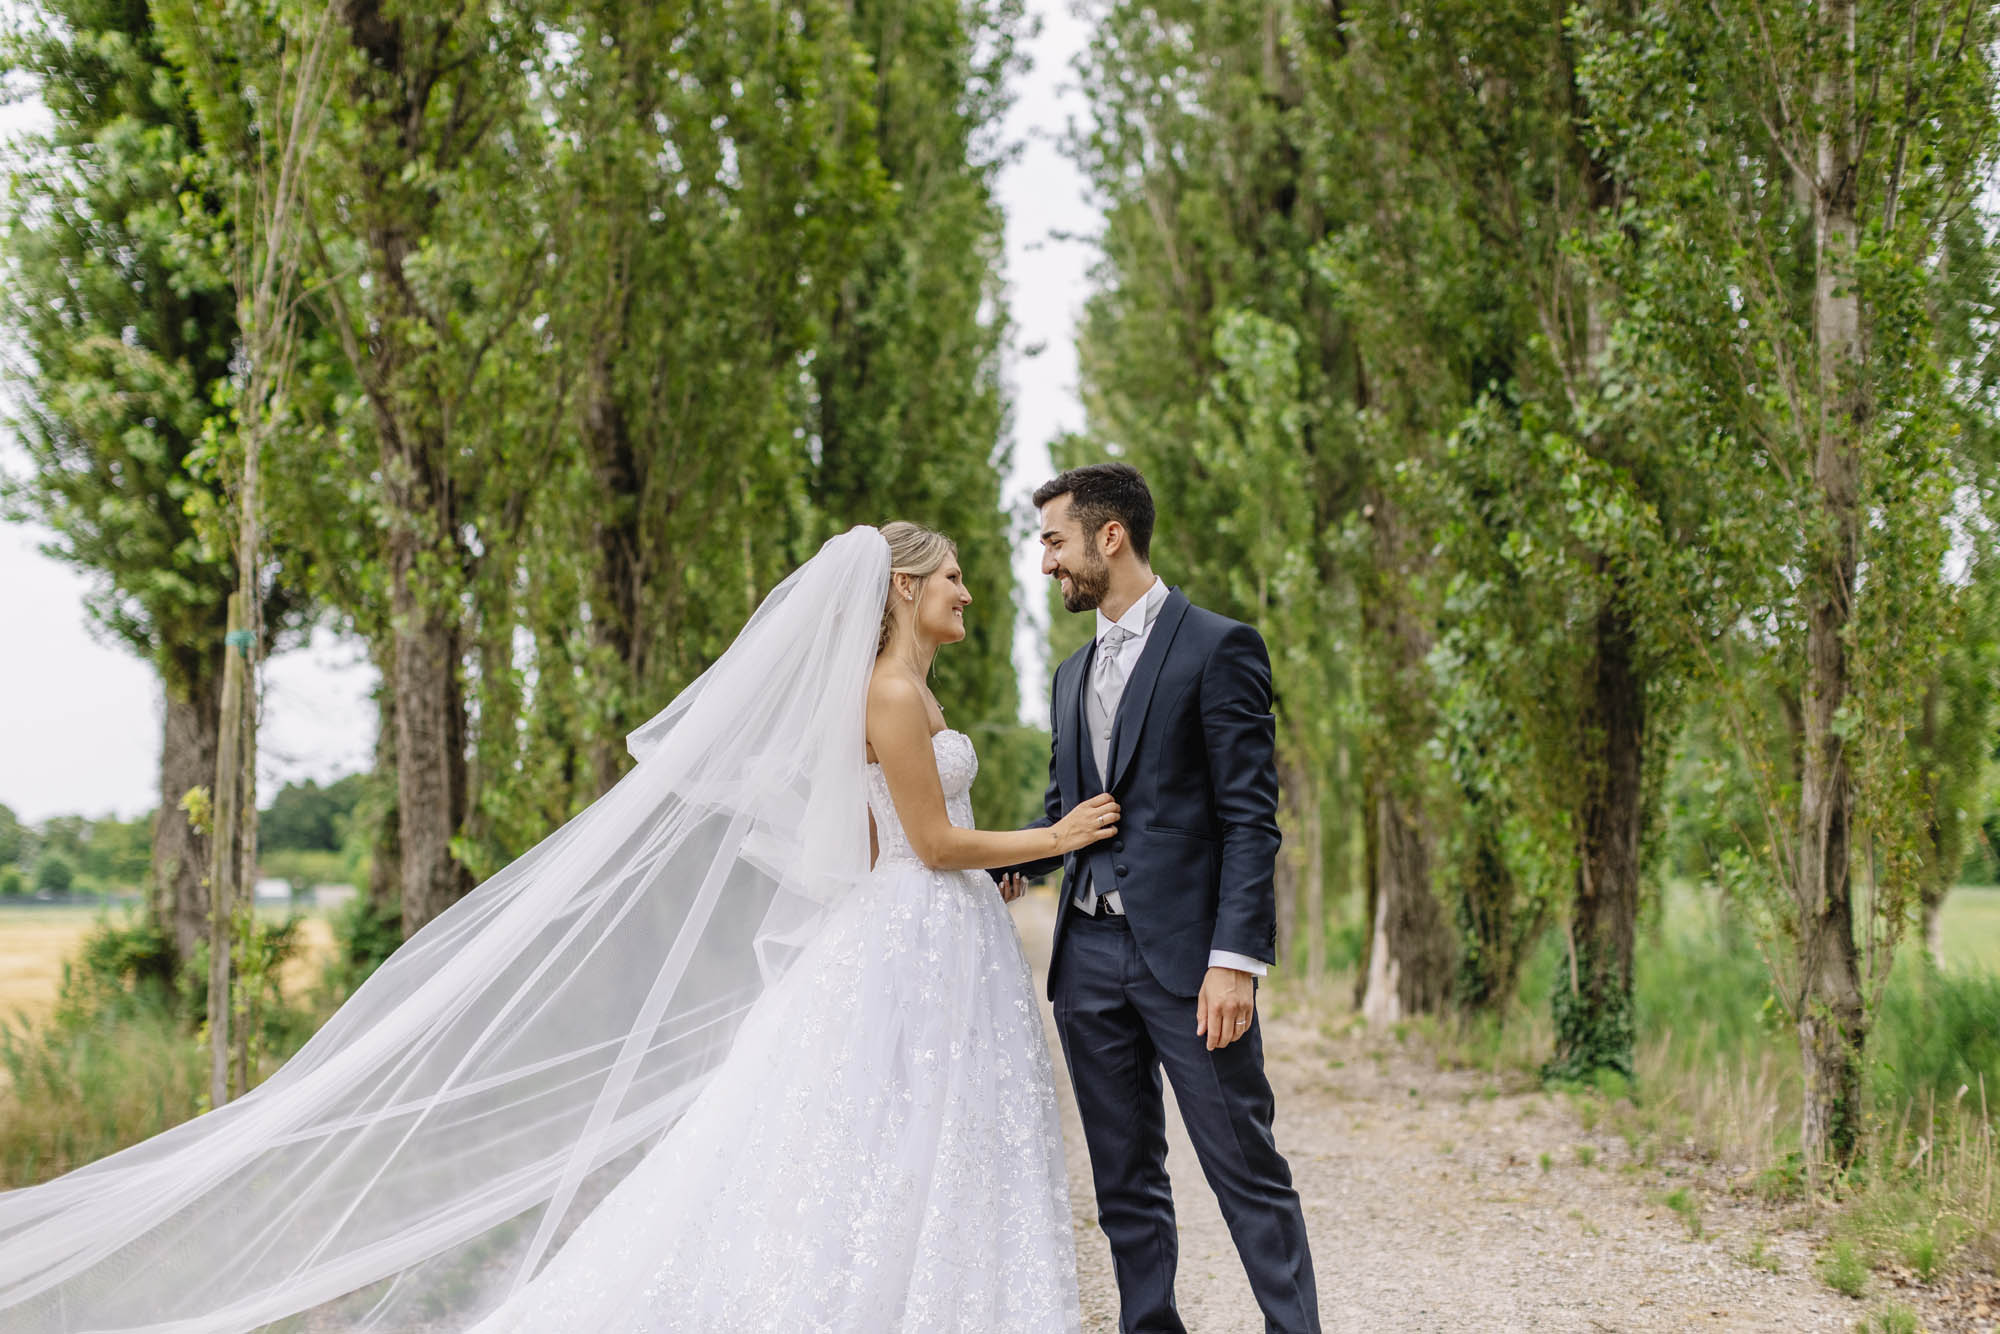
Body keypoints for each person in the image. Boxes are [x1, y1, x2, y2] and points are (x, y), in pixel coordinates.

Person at [0, 522, 1105, 1334]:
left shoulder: (916, 699)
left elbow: (879, 844)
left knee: (916, 1125)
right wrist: (1055, 838)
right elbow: (928, 841)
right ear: (904, 586)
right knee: (878, 1125)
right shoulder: (891, 697)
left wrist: (986, 879)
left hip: (926, 935)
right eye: (952, 575)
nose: (968, 589)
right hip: (911, 931)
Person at [996, 463, 1321, 1334]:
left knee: (1244, 1171)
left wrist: (1235, 963)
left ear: (1112, 536)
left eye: (1055, 542)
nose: (1046, 565)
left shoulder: (1220, 647)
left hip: (1189, 965)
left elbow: (1251, 820)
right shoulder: (1069, 674)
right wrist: (1009, 858)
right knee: (1124, 1183)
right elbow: (1071, 810)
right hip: (1088, 962)